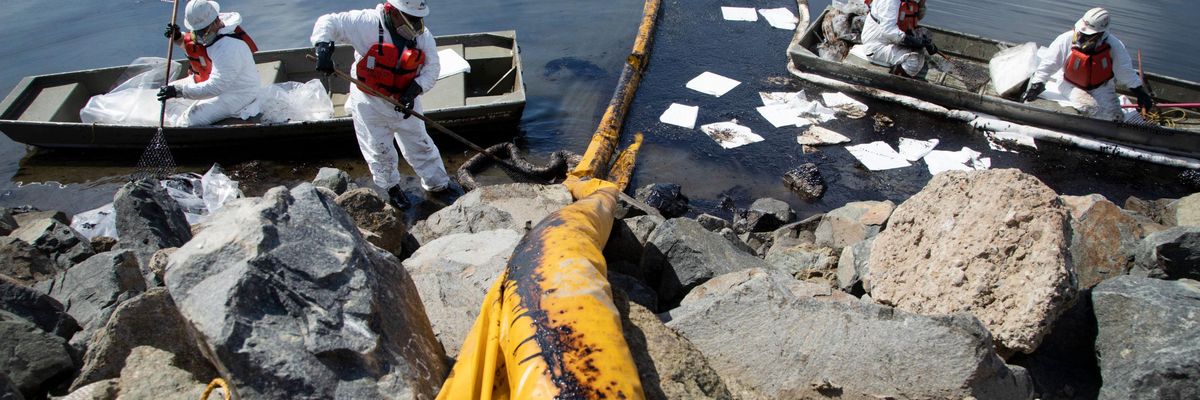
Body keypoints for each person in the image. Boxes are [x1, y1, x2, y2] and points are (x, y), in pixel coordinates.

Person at [311, 0, 451, 208]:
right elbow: (329, 22)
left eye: (417, 19)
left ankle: (438, 185)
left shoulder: (422, 36)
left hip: (405, 102)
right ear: (392, 12)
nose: (415, 24)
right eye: (410, 18)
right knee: (379, 149)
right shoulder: (366, 22)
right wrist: (323, 47)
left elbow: (432, 68)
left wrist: (415, 89)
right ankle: (392, 189)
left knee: (420, 144)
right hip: (370, 102)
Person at [1022, 7, 1154, 121]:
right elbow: (1049, 63)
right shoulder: (1066, 39)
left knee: (1115, 117)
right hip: (1070, 84)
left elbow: (1125, 71)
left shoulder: (1114, 45)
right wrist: (1037, 84)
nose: (1084, 36)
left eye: (1089, 34)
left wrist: (1140, 93)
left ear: (1102, 33)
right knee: (1090, 107)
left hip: (1102, 87)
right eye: (1083, 32)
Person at [157, 0, 261, 126]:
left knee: (189, 121)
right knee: (164, 98)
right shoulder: (210, 34)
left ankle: (185, 127)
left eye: (203, 31)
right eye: (197, 31)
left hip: (236, 92)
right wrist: (178, 37)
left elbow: (216, 86)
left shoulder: (229, 47)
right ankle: (177, 124)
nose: (200, 35)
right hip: (209, 80)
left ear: (217, 21)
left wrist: (179, 91)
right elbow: (196, 50)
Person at [861, 0, 936, 78]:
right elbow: (888, 31)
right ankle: (895, 82)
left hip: (892, 40)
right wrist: (914, 41)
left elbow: (912, 17)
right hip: (877, 46)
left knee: (925, 34)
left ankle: (904, 72)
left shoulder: (906, 1)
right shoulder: (889, 2)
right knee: (914, 59)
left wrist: (921, 4)